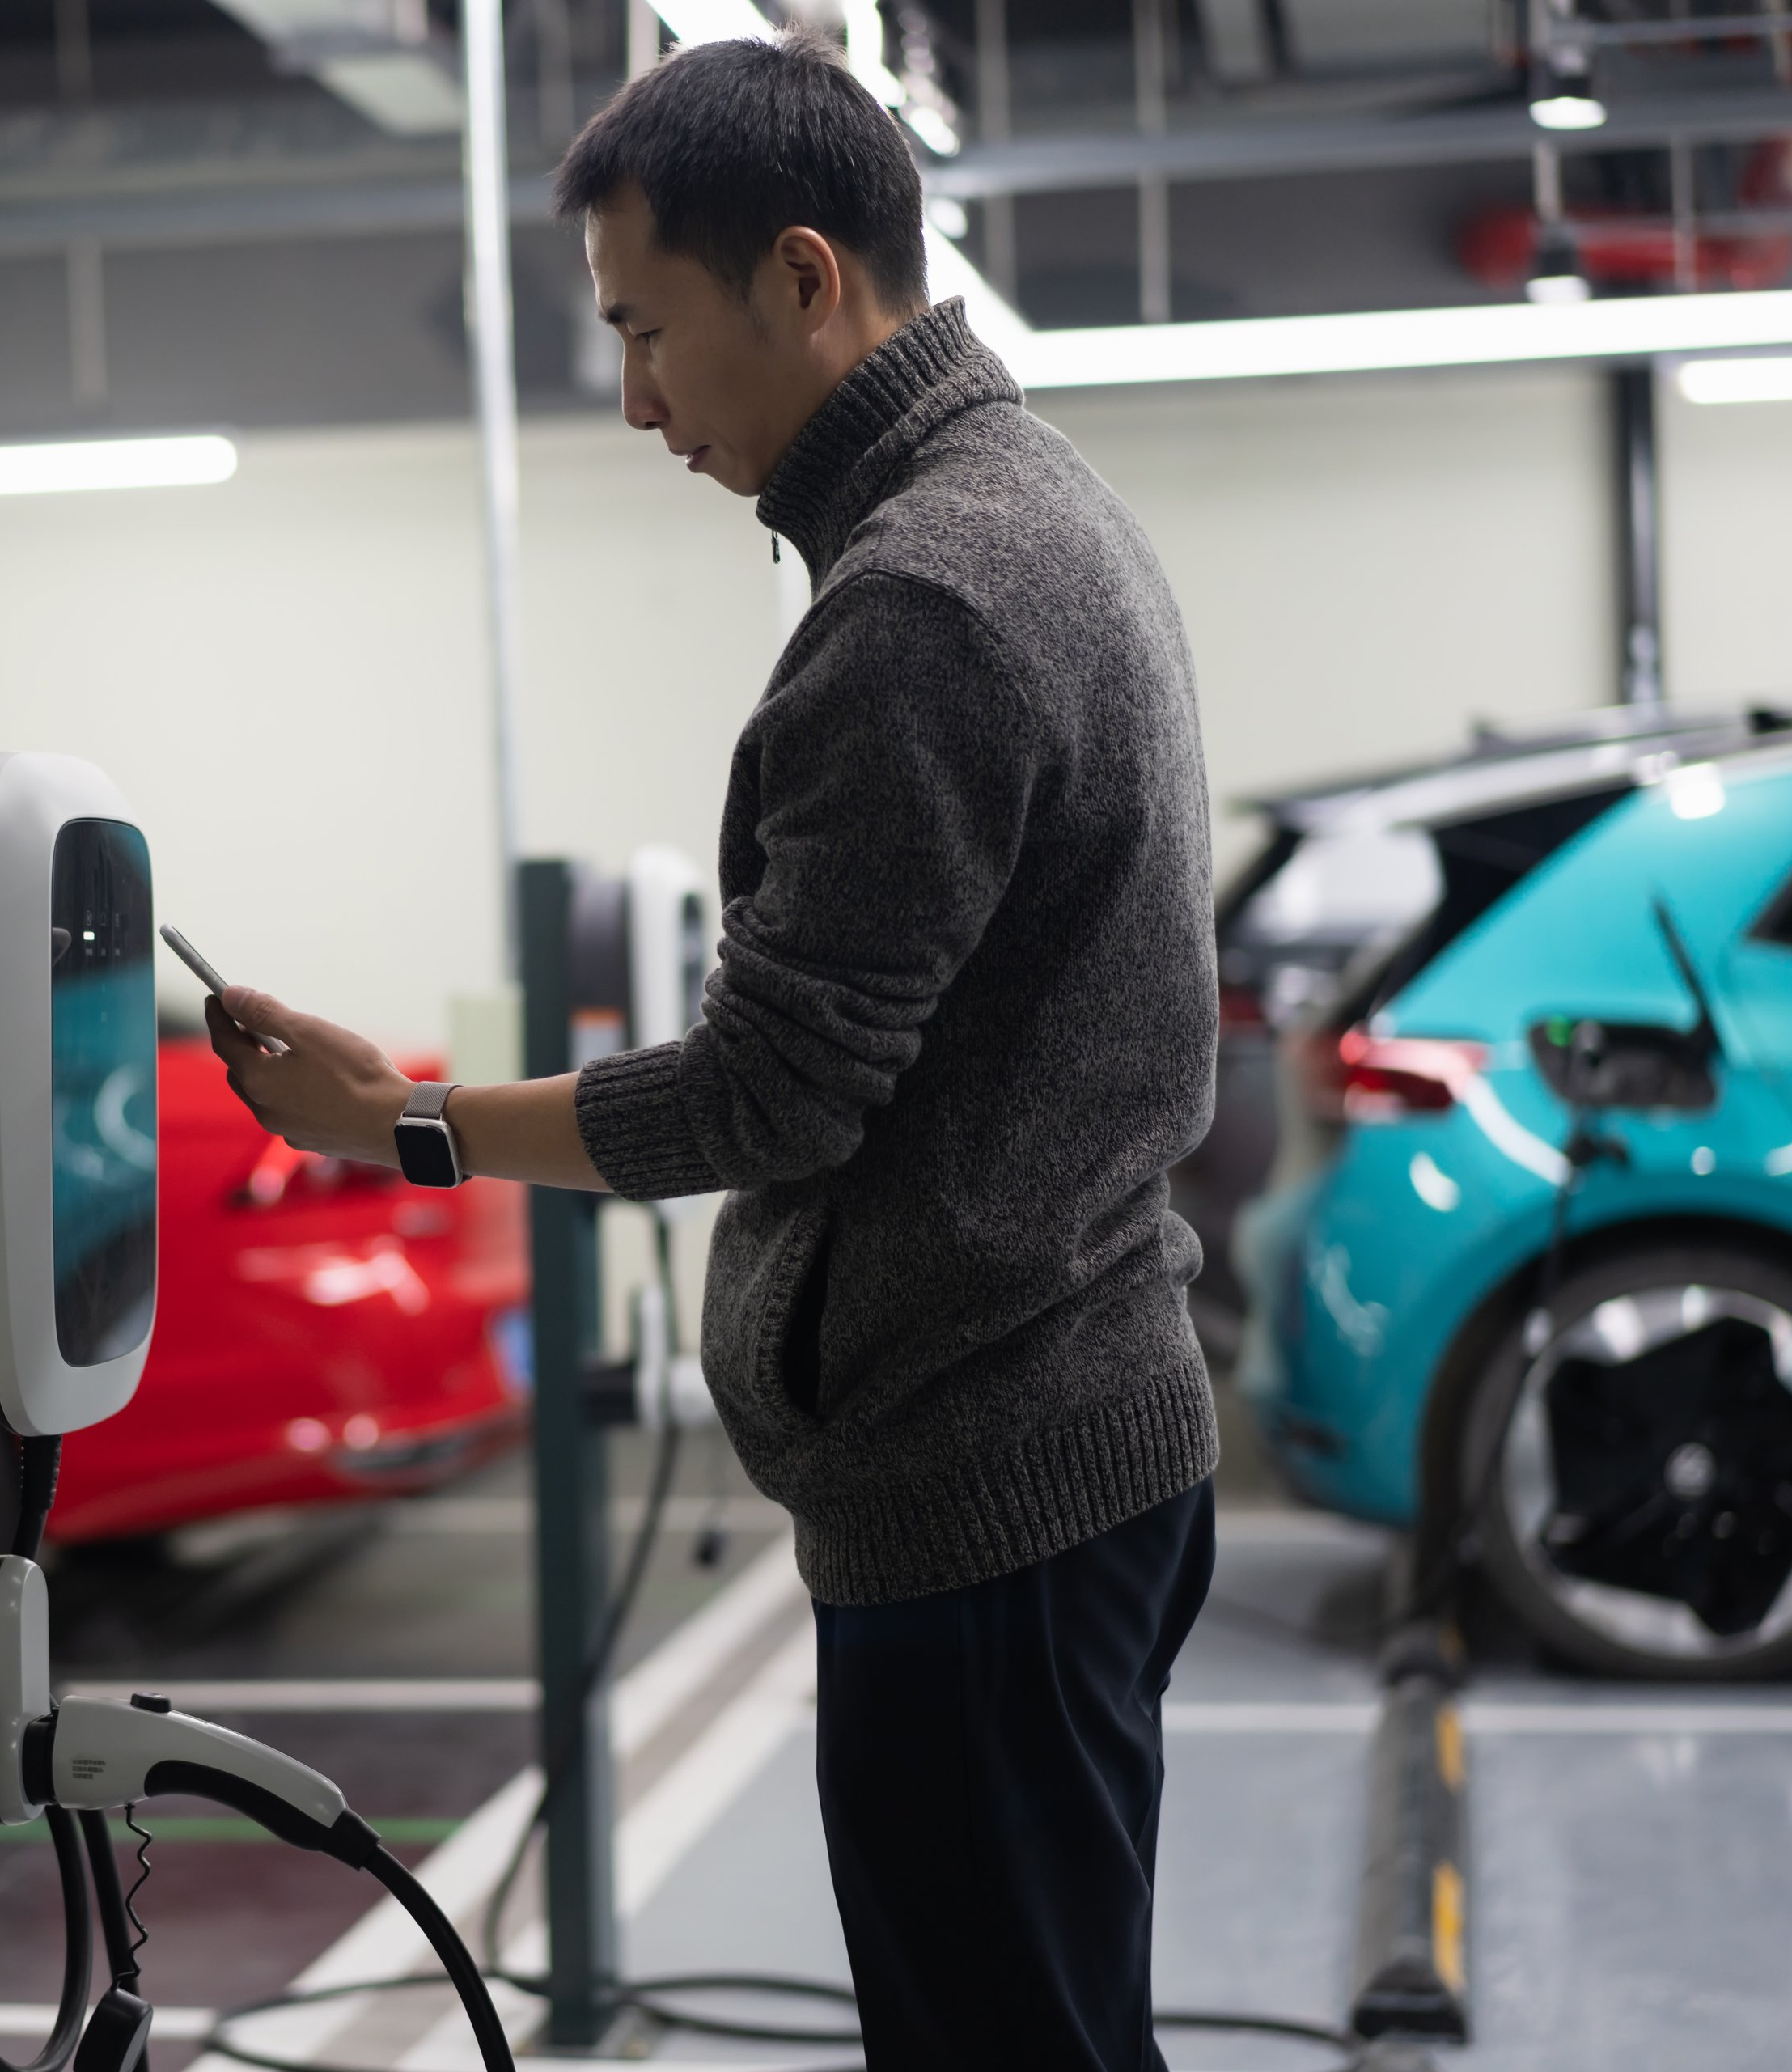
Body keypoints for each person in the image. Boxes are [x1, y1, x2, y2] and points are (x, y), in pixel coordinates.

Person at [203, 31, 1218, 2072]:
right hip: (1065, 1434)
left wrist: (388, 1118)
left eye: (651, 333)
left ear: (808, 278)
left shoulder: (925, 601)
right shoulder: (1031, 509)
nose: (643, 401)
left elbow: (770, 1089)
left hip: (990, 1484)